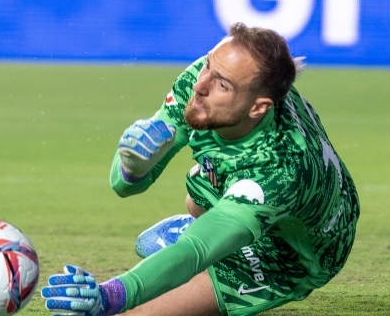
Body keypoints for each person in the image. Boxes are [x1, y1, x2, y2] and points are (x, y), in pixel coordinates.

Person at [41, 23, 360, 315]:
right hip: (268, 186)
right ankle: (218, 226)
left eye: (221, 83)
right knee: (201, 187)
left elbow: (194, 251)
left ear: (258, 107)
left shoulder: (280, 171)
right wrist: (133, 166)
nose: (200, 86)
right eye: (208, 63)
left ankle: (230, 239)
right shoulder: (208, 80)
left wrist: (110, 297)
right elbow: (123, 186)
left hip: (300, 253)